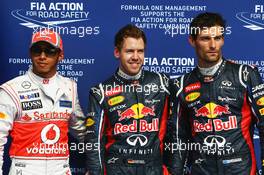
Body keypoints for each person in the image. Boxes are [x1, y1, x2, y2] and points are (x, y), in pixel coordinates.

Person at [166, 12, 264, 175]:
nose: (213, 45)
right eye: (205, 38)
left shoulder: (245, 75)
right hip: (201, 170)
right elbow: (178, 138)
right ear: (192, 40)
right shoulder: (181, 84)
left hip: (241, 170)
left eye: (218, 38)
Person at [85, 24, 170, 175]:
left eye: (140, 51)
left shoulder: (162, 83)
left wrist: (225, 68)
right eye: (130, 51)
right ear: (117, 52)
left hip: (153, 169)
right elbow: (93, 143)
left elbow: (194, 86)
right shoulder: (101, 92)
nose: (136, 57)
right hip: (117, 170)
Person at [0, 29, 86, 175]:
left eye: (50, 51)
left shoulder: (70, 87)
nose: (42, 56)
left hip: (60, 169)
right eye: (36, 50)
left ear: (61, 55)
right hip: (24, 169)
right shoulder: (11, 89)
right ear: (30, 54)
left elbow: (82, 131)